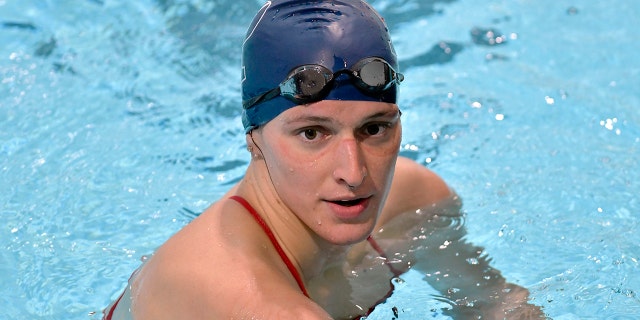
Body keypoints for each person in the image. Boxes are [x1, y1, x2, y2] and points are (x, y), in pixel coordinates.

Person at [104, 0, 544, 319]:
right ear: (254, 140)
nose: (354, 174)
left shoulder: (416, 201)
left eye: (375, 128)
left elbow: (498, 306)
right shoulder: (246, 298)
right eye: (312, 133)